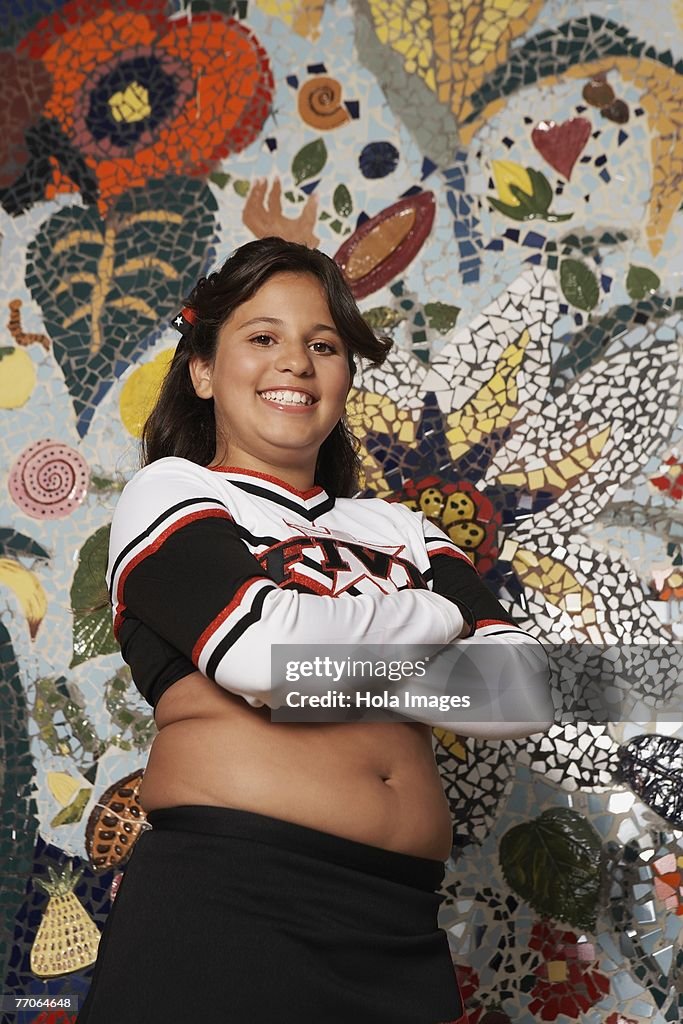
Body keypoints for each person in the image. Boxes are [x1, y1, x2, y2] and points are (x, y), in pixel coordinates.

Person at [76, 237, 552, 1024]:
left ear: (343, 376)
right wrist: (434, 616)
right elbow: (269, 657)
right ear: (202, 370)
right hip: (229, 897)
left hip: (397, 924)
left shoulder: (399, 524)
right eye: (262, 338)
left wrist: (328, 648)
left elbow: (525, 691)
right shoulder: (173, 491)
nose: (294, 362)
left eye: (321, 345)